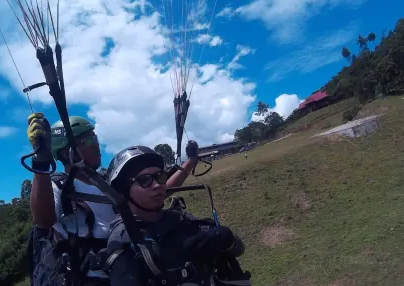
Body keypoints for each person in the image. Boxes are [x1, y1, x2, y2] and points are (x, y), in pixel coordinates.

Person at [25, 113, 200, 285]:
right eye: (89, 140)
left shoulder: (107, 180)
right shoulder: (58, 186)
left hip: (134, 260)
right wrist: (41, 164)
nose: (97, 145)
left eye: (95, 138)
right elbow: (44, 221)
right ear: (68, 151)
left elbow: (156, 191)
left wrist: (189, 162)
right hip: (94, 277)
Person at [103, 145, 250, 286]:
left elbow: (239, 250)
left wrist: (226, 237)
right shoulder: (123, 241)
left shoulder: (181, 219)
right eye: (144, 180)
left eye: (160, 176)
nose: (157, 185)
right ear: (123, 191)